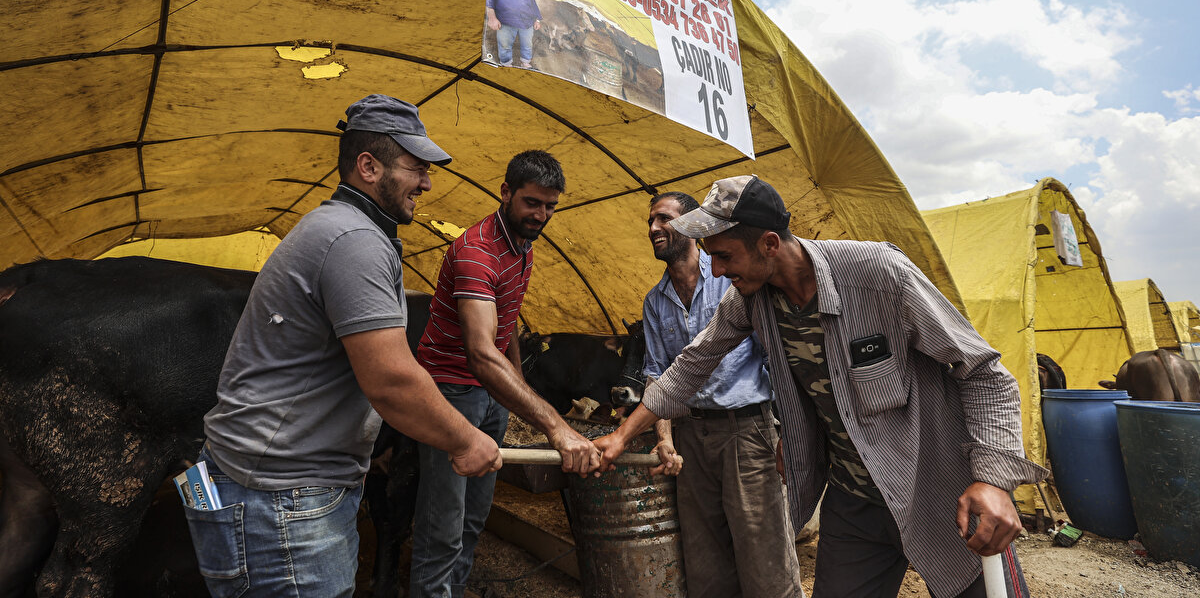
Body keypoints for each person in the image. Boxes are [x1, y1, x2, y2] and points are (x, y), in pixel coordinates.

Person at [598, 175, 1047, 598]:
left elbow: (986, 375)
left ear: (769, 244)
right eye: (710, 255)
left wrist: (993, 480)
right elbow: (690, 367)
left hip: (935, 488)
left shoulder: (879, 274)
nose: (715, 270)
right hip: (855, 502)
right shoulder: (751, 301)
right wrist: (620, 437)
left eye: (725, 256)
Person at [189, 94, 502, 598]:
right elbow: (392, 380)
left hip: (270, 486)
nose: (426, 182)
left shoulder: (338, 227)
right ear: (368, 166)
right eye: (416, 168)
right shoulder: (353, 239)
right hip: (282, 501)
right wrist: (466, 441)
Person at [410, 151, 601, 598]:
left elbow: (506, 318)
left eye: (551, 206)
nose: (541, 215)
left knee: (475, 516)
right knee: (443, 524)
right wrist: (557, 427)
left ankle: (453, 590)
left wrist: (515, 380)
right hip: (450, 391)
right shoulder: (477, 251)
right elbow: (479, 352)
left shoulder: (523, 246)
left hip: (490, 393)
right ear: (505, 192)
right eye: (532, 203)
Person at [641, 192, 804, 598]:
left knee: (765, 560)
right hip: (692, 440)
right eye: (650, 222)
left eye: (664, 219)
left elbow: (780, 360)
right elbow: (657, 376)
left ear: (693, 228)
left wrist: (791, 431)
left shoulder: (735, 278)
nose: (654, 229)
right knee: (706, 565)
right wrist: (665, 440)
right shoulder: (655, 302)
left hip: (746, 433)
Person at [485, 0, 542, 69]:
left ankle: (525, 62)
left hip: (526, 22)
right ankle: (506, 64)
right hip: (506, 21)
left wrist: (537, 20)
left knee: (527, 44)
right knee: (505, 44)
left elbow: (532, 4)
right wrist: (492, 17)